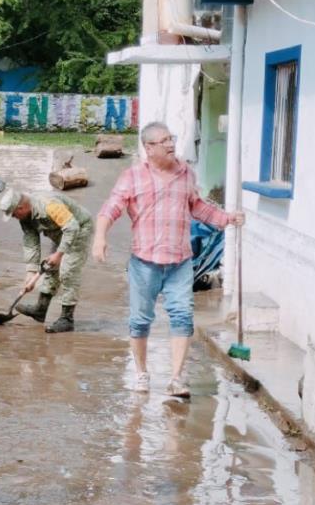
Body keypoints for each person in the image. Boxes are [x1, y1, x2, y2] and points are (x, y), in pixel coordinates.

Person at [92, 121, 245, 397]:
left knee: (183, 318)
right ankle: (141, 373)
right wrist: (100, 237)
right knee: (139, 321)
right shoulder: (133, 177)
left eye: (171, 138)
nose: (170, 144)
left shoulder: (186, 173)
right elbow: (110, 208)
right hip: (144, 262)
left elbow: (197, 207)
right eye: (163, 141)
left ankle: (176, 379)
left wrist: (227, 219)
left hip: (179, 262)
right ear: (148, 148)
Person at [0, 188, 94, 333]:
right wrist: (31, 272)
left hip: (79, 228)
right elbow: (31, 241)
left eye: (13, 214)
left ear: (21, 207)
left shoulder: (49, 205)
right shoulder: (25, 217)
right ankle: (40, 310)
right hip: (60, 232)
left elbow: (72, 227)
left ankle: (67, 319)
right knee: (50, 269)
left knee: (68, 271)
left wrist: (59, 254)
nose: (13, 217)